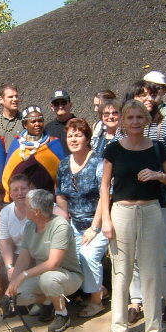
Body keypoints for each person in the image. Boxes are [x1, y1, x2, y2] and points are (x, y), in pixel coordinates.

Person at [101, 100, 166, 332]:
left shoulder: (157, 148)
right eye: (130, 118)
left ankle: (153, 329)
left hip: (151, 211)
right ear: (123, 121)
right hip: (121, 211)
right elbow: (105, 185)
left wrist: (158, 175)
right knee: (121, 272)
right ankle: (119, 326)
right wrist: (105, 219)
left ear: (146, 120)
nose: (135, 122)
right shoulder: (113, 149)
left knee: (151, 271)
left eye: (139, 117)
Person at [123, 81, 166, 324]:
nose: (148, 98)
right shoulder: (124, 128)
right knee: (135, 252)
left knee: (163, 250)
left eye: (151, 94)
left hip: (162, 195)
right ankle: (136, 301)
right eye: (142, 95)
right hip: (133, 195)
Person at [6, 189, 83, 332]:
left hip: (67, 275)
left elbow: (53, 263)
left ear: (37, 211)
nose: (23, 207)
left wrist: (23, 275)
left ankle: (62, 314)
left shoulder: (60, 225)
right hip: (41, 275)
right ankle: (49, 301)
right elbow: (23, 257)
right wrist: (11, 287)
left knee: (48, 279)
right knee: (18, 294)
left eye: (26, 206)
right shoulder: (29, 226)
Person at [56, 118, 109, 317]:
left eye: (78, 135)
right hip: (74, 223)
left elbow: (105, 195)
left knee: (88, 255)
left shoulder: (98, 162)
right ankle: (96, 290)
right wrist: (65, 220)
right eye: (70, 136)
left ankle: (96, 302)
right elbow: (60, 195)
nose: (73, 139)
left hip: (99, 223)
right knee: (66, 256)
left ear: (87, 138)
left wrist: (94, 228)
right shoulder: (63, 165)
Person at [2, 106, 65, 194]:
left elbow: (63, 174)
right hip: (21, 197)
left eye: (40, 121)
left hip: (50, 197)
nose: (37, 124)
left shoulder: (54, 143)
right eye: (33, 121)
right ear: (25, 125)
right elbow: (8, 174)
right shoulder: (17, 145)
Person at [0, 84, 21, 151]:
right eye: (10, 97)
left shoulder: (27, 122)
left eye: (16, 96)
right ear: (1, 100)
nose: (15, 99)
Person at [43, 90, 76, 156]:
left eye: (63, 103)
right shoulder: (48, 128)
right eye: (56, 104)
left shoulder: (79, 125)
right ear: (52, 107)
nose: (60, 106)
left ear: (70, 104)